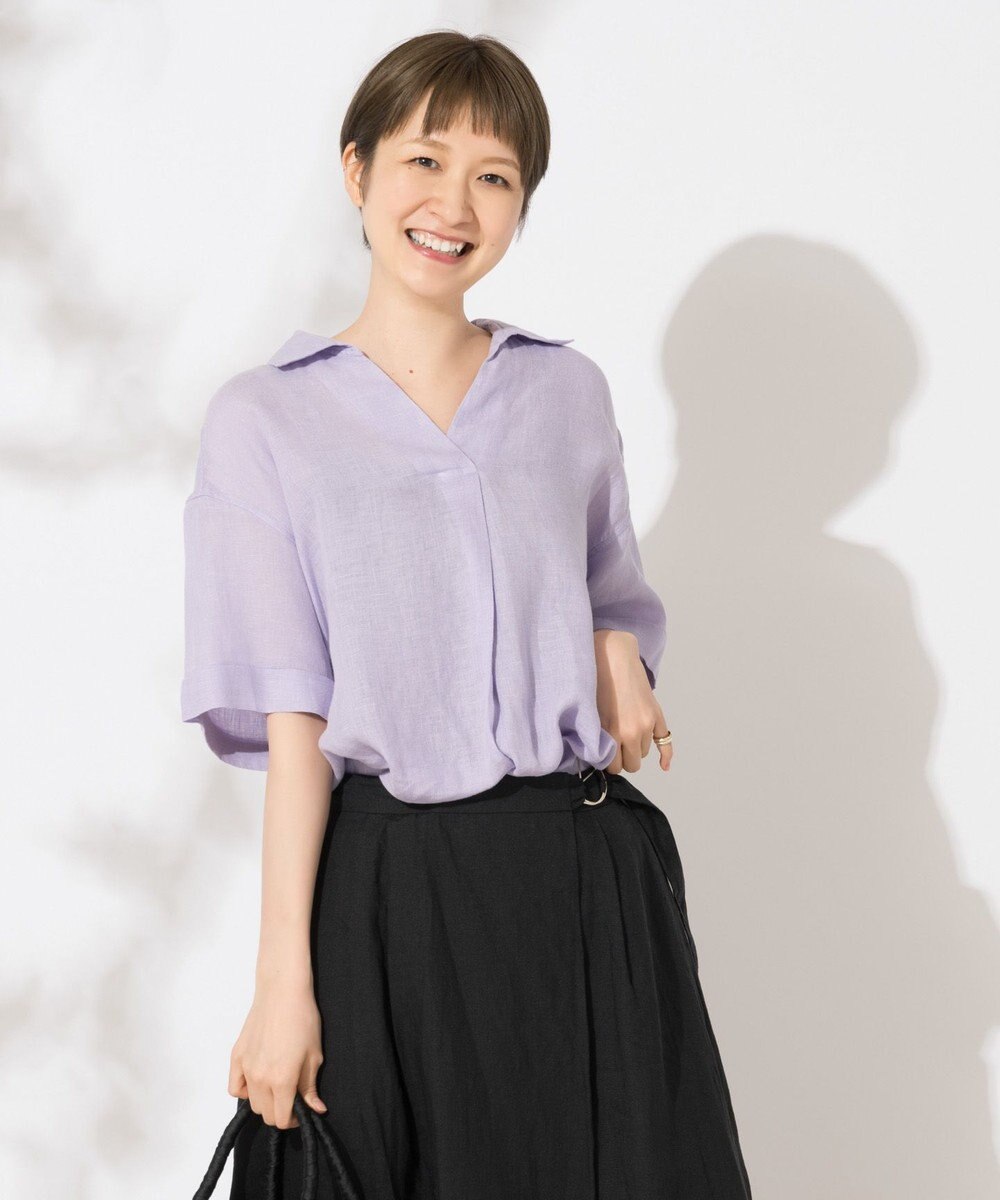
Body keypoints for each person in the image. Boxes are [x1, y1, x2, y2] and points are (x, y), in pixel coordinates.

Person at [181, 29, 753, 1200]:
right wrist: (282, 983)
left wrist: (614, 646)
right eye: (424, 161)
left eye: (494, 176)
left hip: (579, 879)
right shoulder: (265, 421)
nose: (453, 205)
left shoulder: (564, 392)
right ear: (357, 171)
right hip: (390, 890)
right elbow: (297, 730)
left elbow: (605, 607)